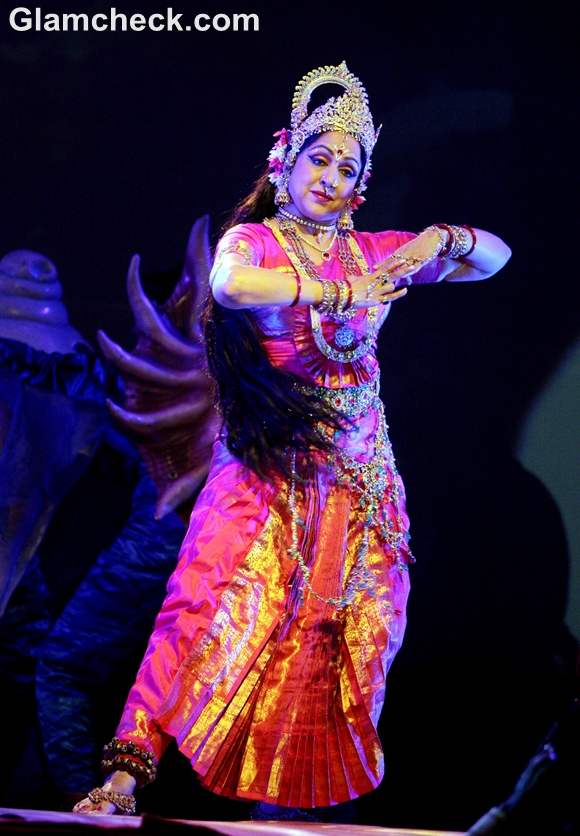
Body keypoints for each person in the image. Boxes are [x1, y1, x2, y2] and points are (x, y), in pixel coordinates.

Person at [73, 61, 511, 818]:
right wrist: (338, 292)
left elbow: (496, 259)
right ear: (286, 163)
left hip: (359, 483)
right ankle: (124, 773)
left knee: (357, 636)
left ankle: (289, 810)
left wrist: (441, 236)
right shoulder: (257, 242)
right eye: (321, 158)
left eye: (350, 167)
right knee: (201, 609)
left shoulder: (376, 251)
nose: (333, 177)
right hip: (264, 470)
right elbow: (231, 287)